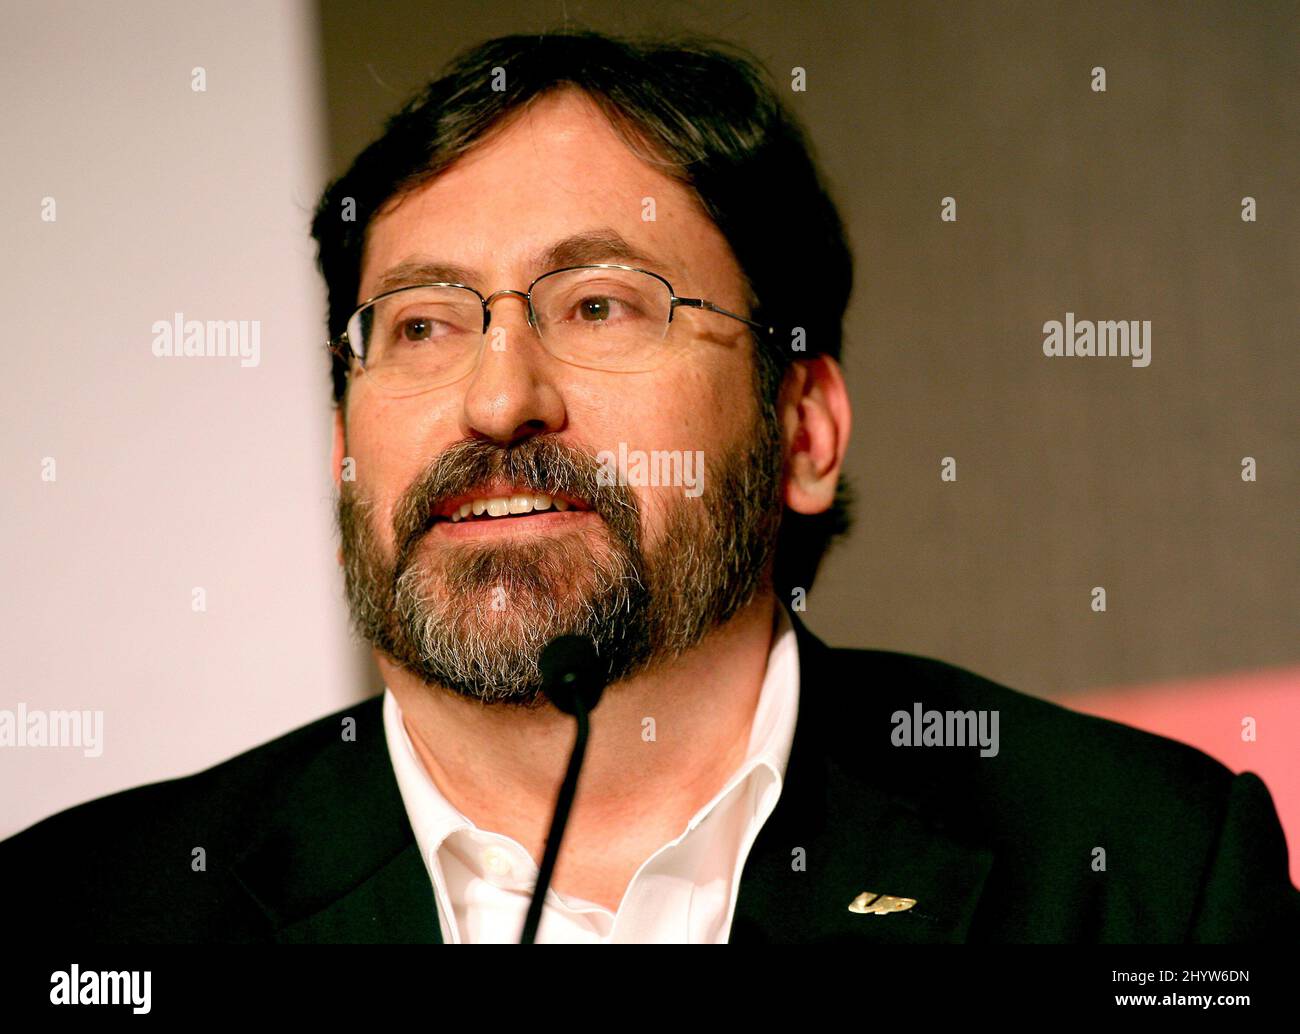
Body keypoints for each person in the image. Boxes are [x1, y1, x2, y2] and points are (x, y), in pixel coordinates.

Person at [1, 29, 1295, 944]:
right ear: (344, 439)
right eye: (420, 324)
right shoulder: (84, 916)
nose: (499, 398)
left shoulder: (1138, 874)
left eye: (599, 302)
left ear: (804, 429)